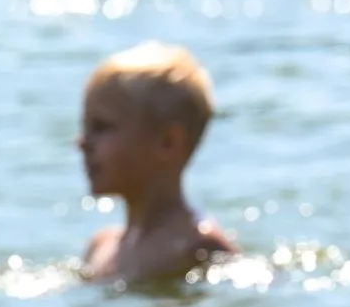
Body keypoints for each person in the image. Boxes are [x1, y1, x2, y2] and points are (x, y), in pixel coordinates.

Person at [76, 41, 240, 286]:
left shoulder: (198, 248)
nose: (82, 143)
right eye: (85, 127)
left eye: (102, 128)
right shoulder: (99, 247)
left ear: (167, 142)